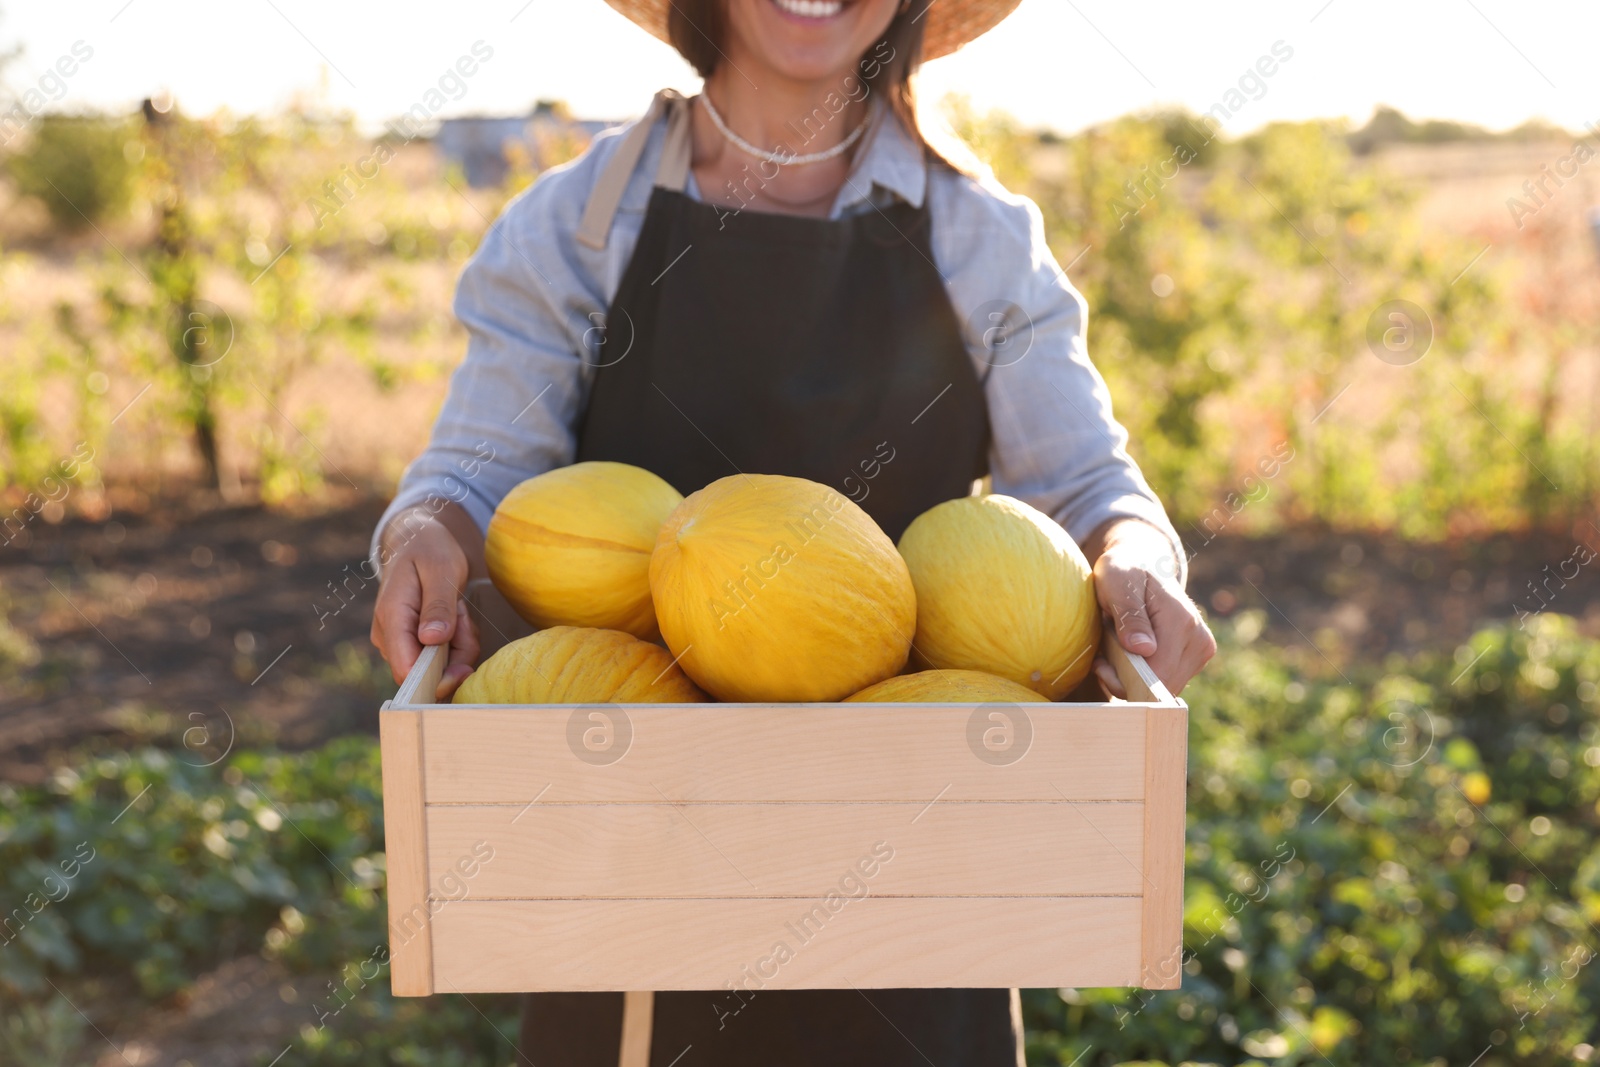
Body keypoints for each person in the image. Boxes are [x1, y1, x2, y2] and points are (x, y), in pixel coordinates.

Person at [370, 0, 1215, 1062]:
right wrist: (428, 531)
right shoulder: (577, 223)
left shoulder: (979, 234)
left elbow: (1088, 484)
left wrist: (1132, 553)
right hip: (628, 863)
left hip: (920, 866)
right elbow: (472, 477)